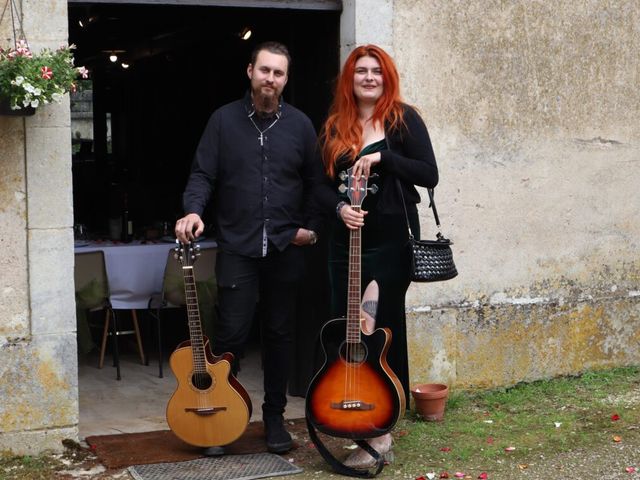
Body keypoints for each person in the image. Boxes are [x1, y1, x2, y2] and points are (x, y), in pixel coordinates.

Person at [174, 41, 323, 454]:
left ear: (285, 79)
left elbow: (316, 184)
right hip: (237, 247)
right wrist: (193, 211)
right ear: (250, 71)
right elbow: (202, 175)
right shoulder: (223, 121)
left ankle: (273, 419)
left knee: (278, 335)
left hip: (284, 250)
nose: (270, 79)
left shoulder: (300, 126)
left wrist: (307, 230)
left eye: (278, 73)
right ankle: (221, 415)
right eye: (264, 71)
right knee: (231, 335)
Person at [317, 44, 439, 468]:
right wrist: (338, 208)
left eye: (377, 72)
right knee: (345, 326)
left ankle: (382, 429)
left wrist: (384, 157)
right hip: (343, 242)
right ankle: (348, 407)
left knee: (381, 327)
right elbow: (317, 184)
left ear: (387, 78)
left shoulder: (403, 119)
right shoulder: (336, 125)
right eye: (360, 71)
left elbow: (429, 173)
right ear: (349, 80)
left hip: (390, 240)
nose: (369, 77)